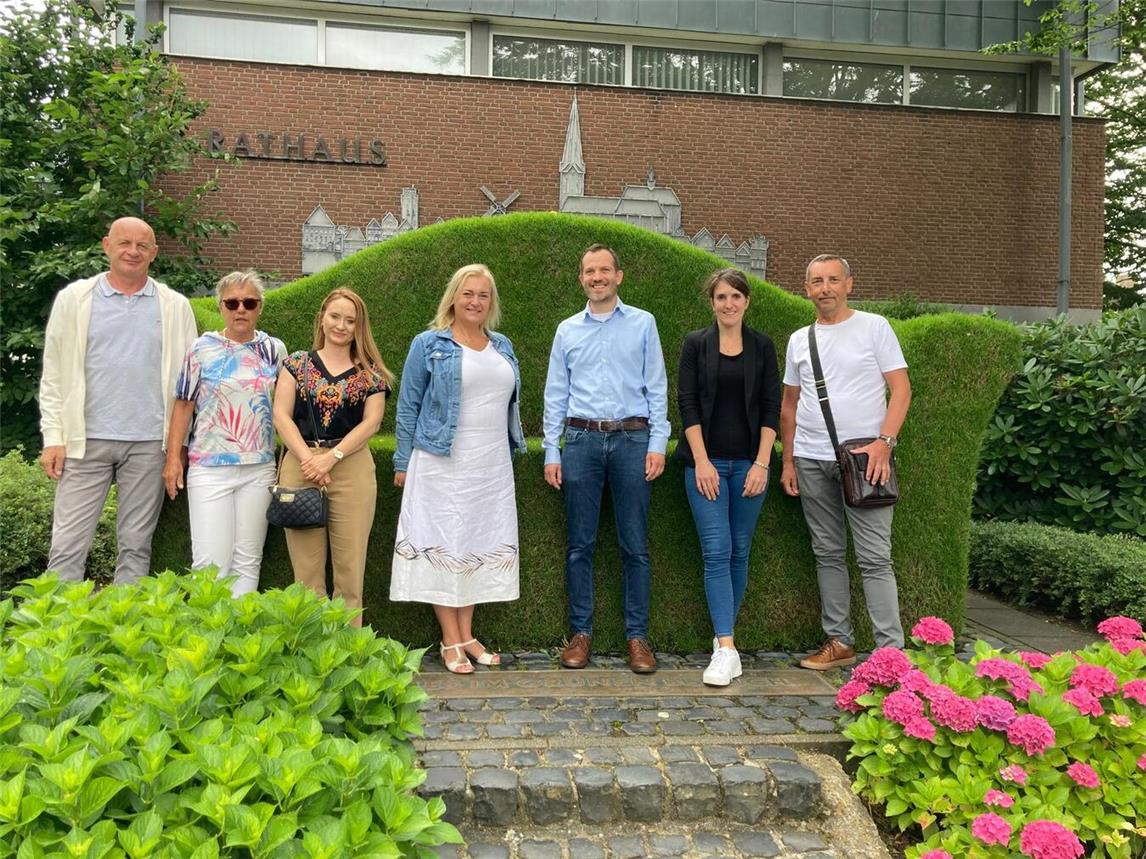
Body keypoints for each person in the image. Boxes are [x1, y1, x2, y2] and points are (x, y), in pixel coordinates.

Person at [38, 216, 197, 585]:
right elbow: (54, 375)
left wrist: (179, 447)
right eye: (124, 243)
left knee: (136, 545)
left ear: (154, 253)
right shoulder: (74, 300)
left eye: (142, 246)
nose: (133, 251)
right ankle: (60, 632)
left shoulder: (175, 307)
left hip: (148, 445)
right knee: (67, 546)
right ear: (106, 245)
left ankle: (127, 632)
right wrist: (53, 437)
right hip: (83, 441)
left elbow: (189, 387)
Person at [390, 264, 526, 674]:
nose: (475, 302)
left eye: (483, 295)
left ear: (492, 302)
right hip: (440, 462)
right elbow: (408, 405)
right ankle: (450, 638)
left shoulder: (502, 345)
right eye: (468, 293)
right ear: (453, 297)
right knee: (444, 543)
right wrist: (401, 461)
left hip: (490, 465)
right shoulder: (429, 344)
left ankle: (466, 634)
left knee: (475, 544)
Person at [780, 255, 912, 669]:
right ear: (806, 289)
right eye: (817, 281)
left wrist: (884, 444)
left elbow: (901, 389)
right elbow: (789, 405)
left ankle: (891, 654)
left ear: (849, 284)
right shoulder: (800, 339)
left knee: (875, 557)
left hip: (865, 459)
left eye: (834, 280)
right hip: (810, 458)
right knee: (827, 553)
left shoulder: (875, 327)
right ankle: (839, 641)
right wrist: (788, 462)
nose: (825, 288)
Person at [543, 244, 670, 674]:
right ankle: (580, 635)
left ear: (619, 276)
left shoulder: (643, 324)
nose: (597, 277)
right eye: (589, 271)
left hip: (633, 441)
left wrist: (657, 444)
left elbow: (657, 387)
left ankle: (637, 638)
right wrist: (551, 448)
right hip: (580, 441)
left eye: (604, 270)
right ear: (581, 279)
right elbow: (555, 392)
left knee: (634, 545)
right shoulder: (567, 331)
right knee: (580, 545)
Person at [677, 268, 781, 686]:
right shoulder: (695, 344)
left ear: (747, 301)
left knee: (739, 551)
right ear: (712, 302)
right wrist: (702, 462)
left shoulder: (763, 346)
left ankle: (725, 643)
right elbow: (687, 405)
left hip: (749, 467)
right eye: (721, 297)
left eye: (736, 297)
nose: (729, 304)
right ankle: (726, 646)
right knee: (717, 551)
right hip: (707, 465)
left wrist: (762, 463)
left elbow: (772, 407)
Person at [272, 288, 392, 626]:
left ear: (359, 327)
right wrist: (310, 459)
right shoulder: (296, 364)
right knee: (306, 575)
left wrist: (332, 457)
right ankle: (312, 655)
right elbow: (281, 415)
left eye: (350, 320)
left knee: (350, 571)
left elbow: (371, 424)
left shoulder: (371, 375)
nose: (341, 325)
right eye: (335, 316)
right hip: (300, 463)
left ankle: (348, 653)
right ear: (322, 317)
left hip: (351, 467)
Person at [162, 271, 286, 596]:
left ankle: (238, 637)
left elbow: (286, 408)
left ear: (260, 307)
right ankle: (210, 639)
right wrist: (174, 458)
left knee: (248, 560)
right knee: (209, 564)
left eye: (249, 302)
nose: (240, 309)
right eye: (232, 302)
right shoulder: (202, 348)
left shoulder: (274, 350)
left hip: (259, 467)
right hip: (209, 467)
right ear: (221, 307)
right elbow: (184, 405)